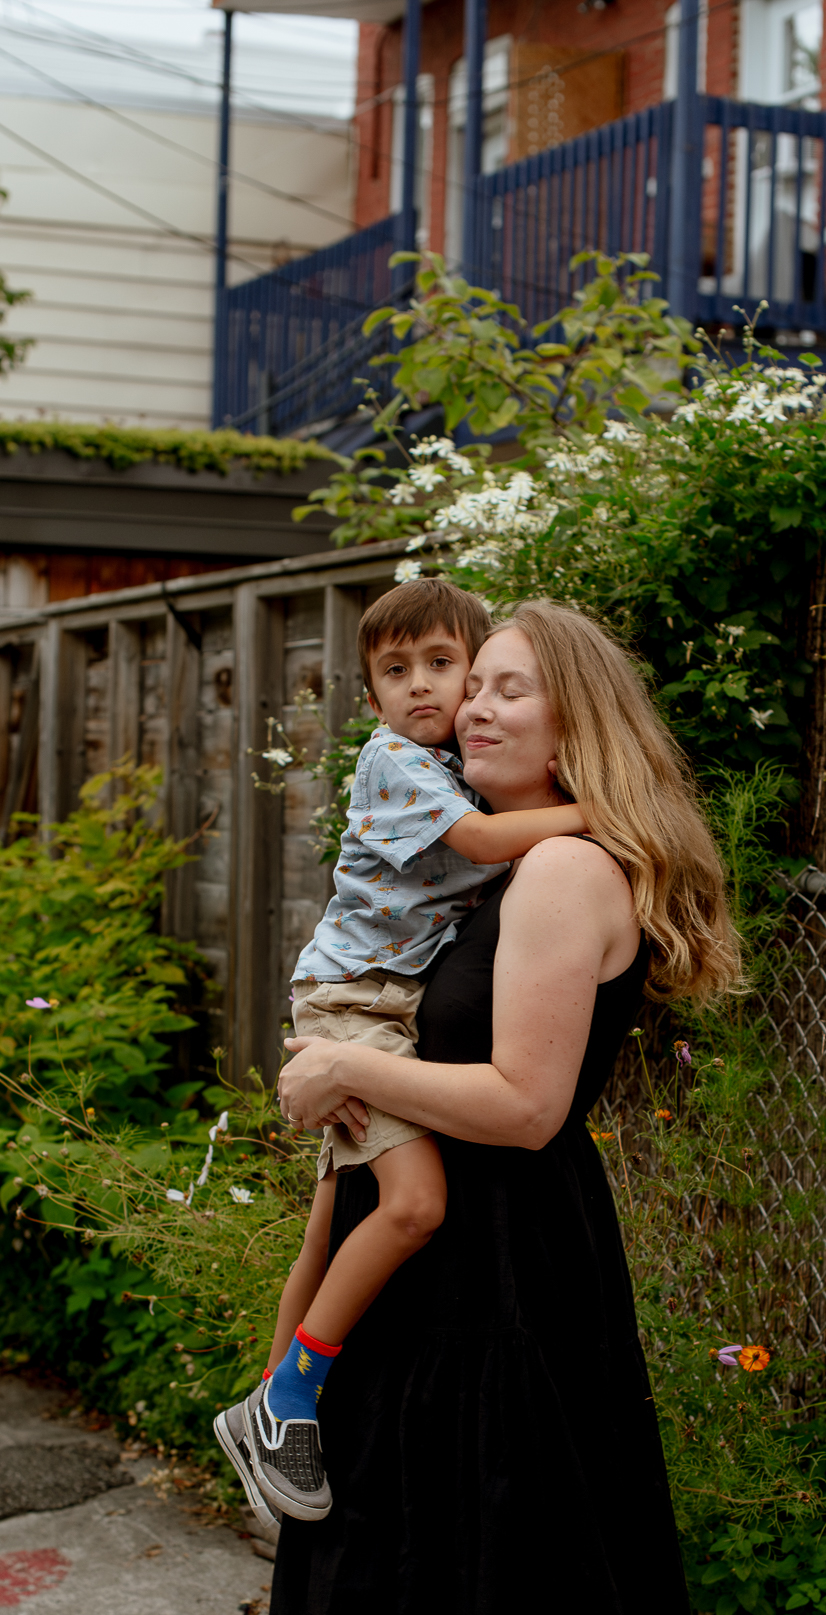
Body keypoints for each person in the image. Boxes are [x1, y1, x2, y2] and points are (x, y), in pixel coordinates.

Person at [250, 600, 741, 1615]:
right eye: (479, 685)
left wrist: (334, 1073)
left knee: (501, 1565)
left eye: (512, 690)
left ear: (574, 720)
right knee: (418, 1551)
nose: (475, 707)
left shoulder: (562, 876)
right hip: (435, 1262)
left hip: (511, 1265)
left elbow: (522, 1107)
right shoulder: (473, 872)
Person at [215, 578, 589, 1526]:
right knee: (416, 1202)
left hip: (385, 1008)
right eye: (395, 671)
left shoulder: (452, 761)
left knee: (337, 1209)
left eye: (441, 666)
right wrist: (603, 815)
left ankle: (267, 1397)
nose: (423, 688)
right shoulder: (399, 767)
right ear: (370, 697)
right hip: (355, 1009)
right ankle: (290, 1395)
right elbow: (484, 840)